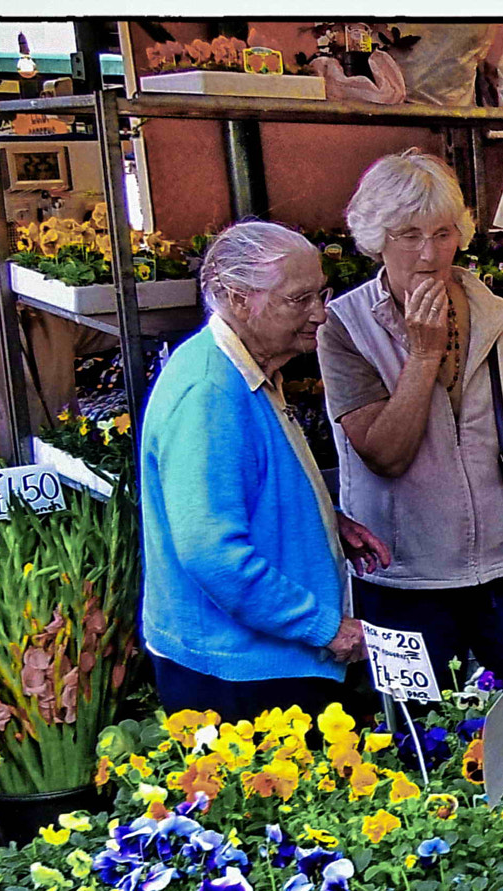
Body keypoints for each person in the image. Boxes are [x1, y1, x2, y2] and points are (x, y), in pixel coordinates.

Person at [319, 148, 503, 687]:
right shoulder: (343, 328)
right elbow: (384, 454)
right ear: (376, 238)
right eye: (409, 235)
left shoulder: (492, 310)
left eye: (443, 233)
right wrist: (423, 355)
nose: (430, 252)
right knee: (419, 740)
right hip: (405, 574)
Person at [138, 220, 378, 718]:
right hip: (238, 676)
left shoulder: (249, 368)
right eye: (299, 300)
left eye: (322, 294)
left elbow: (244, 488)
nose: (320, 314)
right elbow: (211, 553)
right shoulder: (208, 392)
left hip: (257, 662)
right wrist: (323, 627)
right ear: (236, 298)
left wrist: (323, 520)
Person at [0, 273, 109, 472]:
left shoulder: (48, 310)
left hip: (68, 461)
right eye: (21, 269)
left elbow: (108, 329)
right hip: (8, 472)